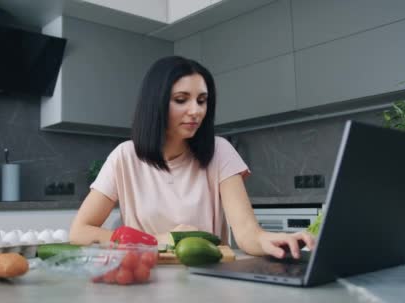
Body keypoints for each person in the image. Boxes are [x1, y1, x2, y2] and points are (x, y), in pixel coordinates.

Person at [70, 56, 315, 259]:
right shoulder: (124, 157)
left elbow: (247, 233)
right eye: (181, 100)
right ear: (155, 104)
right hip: (143, 278)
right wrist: (157, 241)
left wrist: (271, 240)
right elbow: (80, 231)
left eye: (202, 101)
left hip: (207, 278)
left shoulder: (220, 151)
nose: (196, 111)